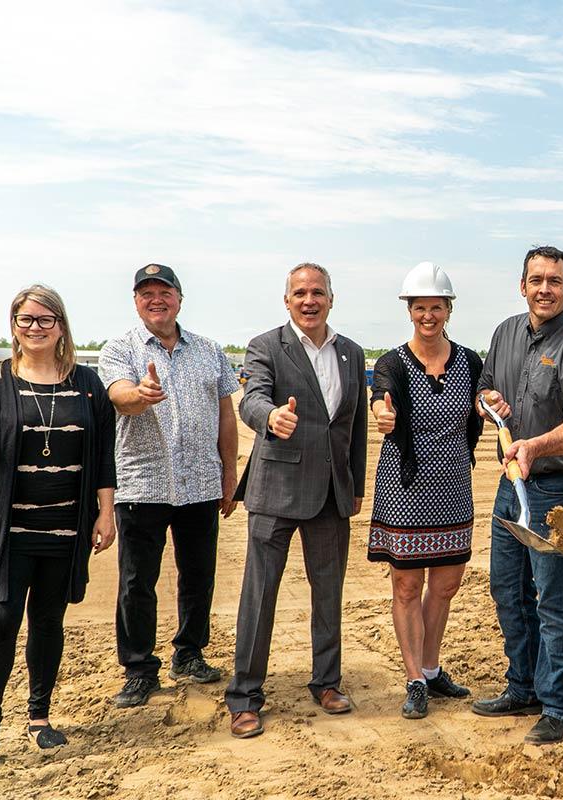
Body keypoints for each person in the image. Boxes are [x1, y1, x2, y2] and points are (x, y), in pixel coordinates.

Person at [0, 285, 116, 775]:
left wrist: (105, 512)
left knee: (48, 622)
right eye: (26, 320)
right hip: (7, 528)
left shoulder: (88, 384)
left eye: (46, 320)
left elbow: (104, 456)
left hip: (66, 527)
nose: (35, 328)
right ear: (14, 326)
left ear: (61, 326)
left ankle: (39, 717)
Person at [225, 262, 368, 739]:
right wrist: (270, 418)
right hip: (276, 492)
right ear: (286, 300)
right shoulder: (266, 346)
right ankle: (245, 697)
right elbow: (251, 400)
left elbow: (353, 426)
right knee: (259, 596)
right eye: (300, 293)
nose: (310, 300)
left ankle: (327, 682)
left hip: (331, 494)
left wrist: (355, 487)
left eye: (318, 292)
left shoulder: (350, 353)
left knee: (328, 595)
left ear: (331, 298)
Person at [471, 245, 563, 745]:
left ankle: (559, 704)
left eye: (554, 280)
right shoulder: (505, 333)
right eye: (536, 280)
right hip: (512, 488)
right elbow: (483, 389)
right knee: (508, 592)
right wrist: (490, 405)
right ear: (522, 285)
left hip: (559, 493)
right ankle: (522, 686)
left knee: (555, 600)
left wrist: (534, 444)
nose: (544, 288)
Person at [98, 264, 240, 708]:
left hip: (201, 482)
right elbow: (119, 395)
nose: (156, 300)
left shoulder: (210, 351)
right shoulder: (119, 349)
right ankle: (139, 668)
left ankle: (190, 652)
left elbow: (226, 414)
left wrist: (229, 474)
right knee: (138, 581)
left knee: (198, 574)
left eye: (164, 292)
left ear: (179, 297)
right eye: (146, 294)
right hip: (143, 484)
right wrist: (141, 394)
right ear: (135, 302)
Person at [368, 262, 483, 719]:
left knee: (447, 585)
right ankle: (414, 677)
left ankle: (433, 669)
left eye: (436, 307)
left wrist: (490, 404)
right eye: (420, 307)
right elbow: (383, 394)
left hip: (454, 486)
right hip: (405, 489)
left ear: (448, 309)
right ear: (409, 310)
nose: (428, 315)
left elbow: (482, 406)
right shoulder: (393, 362)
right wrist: (383, 413)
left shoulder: (471, 361)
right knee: (407, 585)